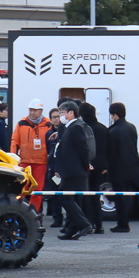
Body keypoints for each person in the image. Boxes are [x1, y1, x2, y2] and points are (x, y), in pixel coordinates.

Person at [47, 100, 94, 240]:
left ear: (71, 113)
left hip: (74, 171)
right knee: (68, 198)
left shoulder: (76, 127)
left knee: (65, 197)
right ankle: (72, 229)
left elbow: (82, 149)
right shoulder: (68, 127)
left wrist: (86, 164)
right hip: (68, 170)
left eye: (62, 113)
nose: (60, 116)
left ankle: (84, 224)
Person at [104, 102, 139, 232]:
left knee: (119, 196)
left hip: (118, 168)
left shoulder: (113, 131)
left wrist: (107, 167)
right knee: (127, 195)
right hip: (132, 166)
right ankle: (125, 221)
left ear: (115, 115)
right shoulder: (131, 127)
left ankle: (123, 224)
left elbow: (111, 153)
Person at [12, 100, 52, 213]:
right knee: (21, 189)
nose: (32, 112)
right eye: (30, 110)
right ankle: (18, 212)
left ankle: (33, 213)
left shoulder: (48, 124)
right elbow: (14, 141)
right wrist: (13, 158)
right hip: (24, 162)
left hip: (41, 163)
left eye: (34, 110)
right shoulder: (21, 123)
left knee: (37, 191)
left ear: (40, 111)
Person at [78, 101, 110, 233]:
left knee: (86, 195)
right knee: (96, 195)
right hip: (100, 167)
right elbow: (108, 148)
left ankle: (88, 223)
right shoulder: (103, 128)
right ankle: (99, 225)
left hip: (86, 165)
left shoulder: (83, 128)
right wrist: (105, 165)